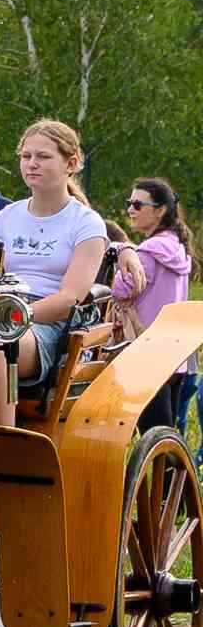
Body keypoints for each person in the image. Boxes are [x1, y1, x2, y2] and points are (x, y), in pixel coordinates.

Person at [0, 122, 108, 430]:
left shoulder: (86, 223)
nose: (32, 164)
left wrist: (13, 318)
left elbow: (68, 299)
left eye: (43, 157)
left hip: (50, 325)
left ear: (71, 163)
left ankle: (0, 452)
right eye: (26, 156)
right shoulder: (5, 218)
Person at [113, 178, 197, 435]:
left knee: (152, 434)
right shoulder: (180, 249)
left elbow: (120, 290)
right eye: (129, 203)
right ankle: (176, 476)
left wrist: (119, 250)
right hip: (175, 355)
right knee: (167, 434)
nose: (130, 210)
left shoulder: (147, 254)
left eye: (138, 204)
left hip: (144, 353)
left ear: (160, 210)